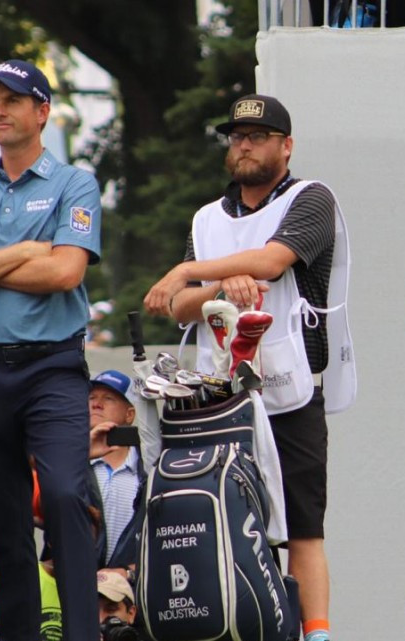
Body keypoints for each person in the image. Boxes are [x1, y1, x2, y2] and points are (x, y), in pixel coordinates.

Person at [144, 93, 355, 641]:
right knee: (232, 521)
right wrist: (217, 286)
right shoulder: (207, 217)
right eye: (237, 137)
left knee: (303, 529)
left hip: (292, 391)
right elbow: (180, 306)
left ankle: (317, 634)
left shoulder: (312, 199)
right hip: (218, 400)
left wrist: (189, 270)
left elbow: (271, 261)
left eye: (258, 136)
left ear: (286, 147)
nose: (244, 145)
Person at [0, 59, 102, 641]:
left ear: (42, 112)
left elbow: (66, 272)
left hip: (52, 368)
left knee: (66, 495)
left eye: (13, 100)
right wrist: (23, 251)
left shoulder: (75, 182)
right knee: (4, 524)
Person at [88, 370, 143, 568]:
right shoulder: (72, 462)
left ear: (130, 414)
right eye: (91, 397)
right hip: (76, 587)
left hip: (128, 591)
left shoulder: (149, 471)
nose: (96, 404)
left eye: (108, 398)